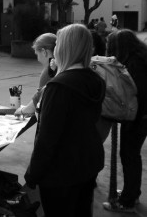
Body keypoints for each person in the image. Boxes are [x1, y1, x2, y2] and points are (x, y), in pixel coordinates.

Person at [24, 24, 106, 217]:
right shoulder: (95, 79)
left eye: (58, 43)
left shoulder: (59, 86)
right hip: (87, 163)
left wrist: (32, 175)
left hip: (61, 172)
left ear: (65, 47)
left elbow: (47, 138)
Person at [103, 29, 147, 213]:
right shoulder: (141, 58)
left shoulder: (134, 64)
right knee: (132, 155)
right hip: (141, 116)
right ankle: (132, 192)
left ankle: (127, 201)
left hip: (138, 117)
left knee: (129, 155)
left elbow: (131, 92)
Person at [14, 33, 56, 119]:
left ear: (44, 52)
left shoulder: (48, 71)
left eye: (37, 54)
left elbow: (40, 100)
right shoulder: (60, 67)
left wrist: (23, 110)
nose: (37, 59)